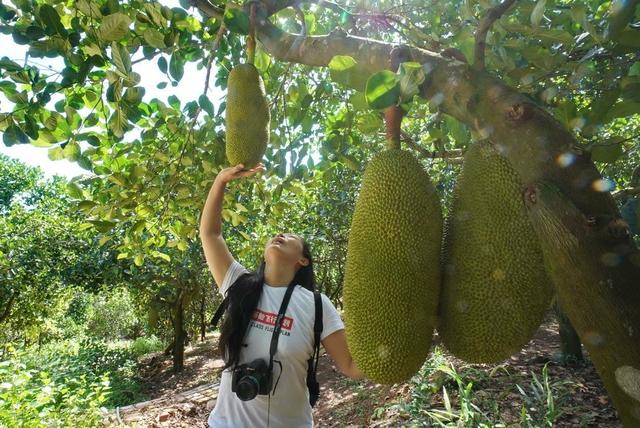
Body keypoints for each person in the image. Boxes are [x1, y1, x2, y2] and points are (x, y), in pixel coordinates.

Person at [199, 163, 364, 428]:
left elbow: (351, 366)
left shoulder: (316, 305)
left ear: (303, 260)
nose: (280, 235)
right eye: (276, 235)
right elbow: (210, 234)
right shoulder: (239, 285)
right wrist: (221, 181)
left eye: (290, 236)